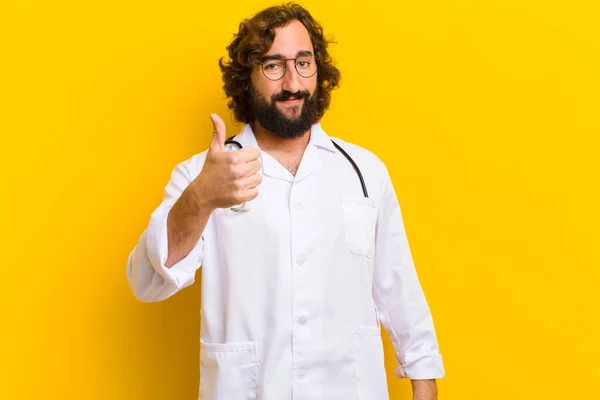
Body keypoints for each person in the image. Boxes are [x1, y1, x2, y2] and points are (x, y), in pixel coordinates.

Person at [126, 3, 445, 399]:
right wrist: (201, 199)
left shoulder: (366, 172)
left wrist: (424, 383)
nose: (293, 82)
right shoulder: (203, 174)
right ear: (248, 79)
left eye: (304, 62)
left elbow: (398, 287)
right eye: (274, 65)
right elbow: (147, 283)